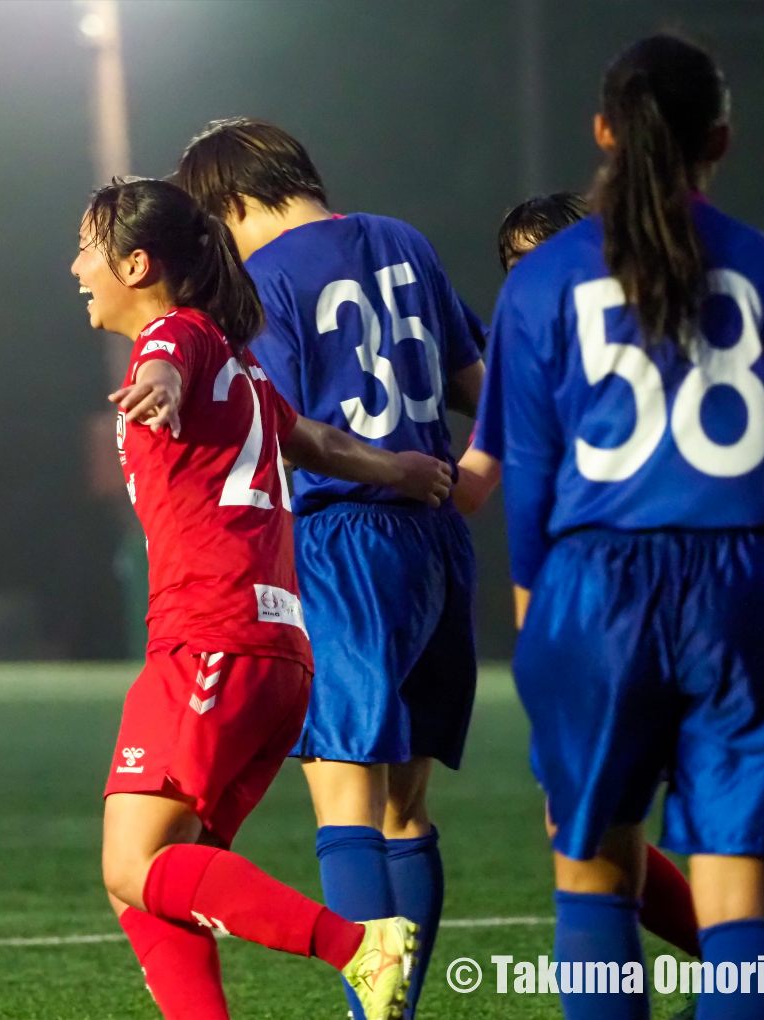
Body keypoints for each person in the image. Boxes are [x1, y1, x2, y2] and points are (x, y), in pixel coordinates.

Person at [477, 34, 764, 1020]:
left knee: (592, 879)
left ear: (602, 133)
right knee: (742, 903)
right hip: (750, 584)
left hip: (593, 591)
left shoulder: (538, 285)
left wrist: (543, 635)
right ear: (719, 136)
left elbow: (528, 485)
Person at [76, 177, 454, 1020]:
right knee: (149, 882)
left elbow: (171, 362)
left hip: (209, 640)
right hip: (271, 653)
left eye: (87, 248)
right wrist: (401, 467)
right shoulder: (237, 361)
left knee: (133, 867)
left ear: (137, 264)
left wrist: (164, 385)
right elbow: (310, 437)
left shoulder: (175, 337)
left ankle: (361, 945)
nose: (75, 267)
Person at [176, 118, 484, 1017]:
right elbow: (487, 381)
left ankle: (371, 1014)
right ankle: (398, 1010)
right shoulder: (404, 240)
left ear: (233, 204)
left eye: (212, 224)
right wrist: (478, 468)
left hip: (344, 542)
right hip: (436, 545)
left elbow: (289, 429)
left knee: (345, 804)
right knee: (406, 811)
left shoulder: (264, 280)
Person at [458, 191, 702, 965]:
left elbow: (497, 487)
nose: (531, 275)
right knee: (614, 826)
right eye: (516, 264)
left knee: (592, 827)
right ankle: (736, 969)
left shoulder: (547, 352)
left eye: (547, 255)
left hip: (620, 602)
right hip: (688, 598)